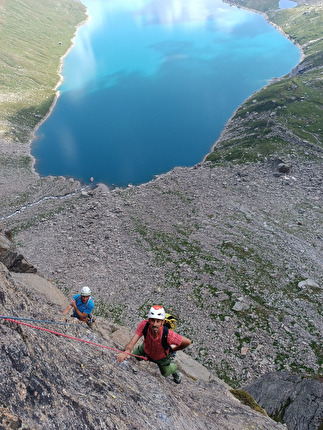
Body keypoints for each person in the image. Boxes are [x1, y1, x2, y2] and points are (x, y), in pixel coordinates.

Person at [117, 305, 191, 384]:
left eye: (158, 321)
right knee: (131, 358)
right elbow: (132, 342)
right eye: (152, 320)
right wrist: (127, 351)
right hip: (145, 349)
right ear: (149, 320)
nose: (155, 324)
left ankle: (174, 370)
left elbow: (187, 342)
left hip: (162, 357)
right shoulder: (144, 325)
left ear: (162, 322)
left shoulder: (168, 335)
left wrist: (173, 349)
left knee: (165, 373)